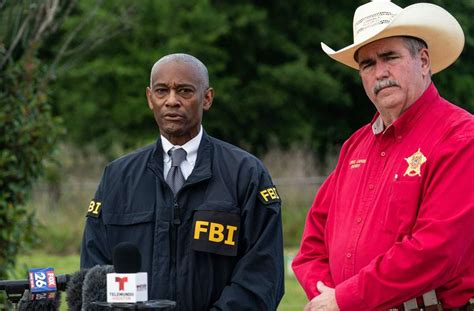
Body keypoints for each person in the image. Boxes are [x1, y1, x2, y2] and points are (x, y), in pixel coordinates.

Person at [292, 1, 474, 310]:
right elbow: (312, 246)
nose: (380, 73)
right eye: (368, 64)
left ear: (424, 61)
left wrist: (344, 298)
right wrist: (326, 294)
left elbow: (437, 250)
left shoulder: (461, 137)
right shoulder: (355, 146)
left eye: (390, 57)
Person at [80, 53, 284, 310]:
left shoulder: (245, 174)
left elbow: (262, 275)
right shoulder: (118, 177)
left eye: (185, 91)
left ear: (207, 98)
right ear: (149, 98)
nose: (172, 101)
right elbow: (94, 273)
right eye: (161, 91)